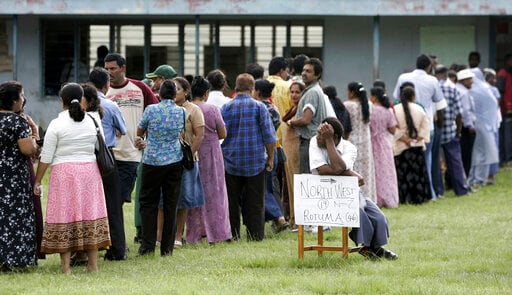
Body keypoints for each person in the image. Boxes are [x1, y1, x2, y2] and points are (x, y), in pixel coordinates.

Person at [34, 83, 111, 274]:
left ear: (62, 101)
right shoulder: (91, 120)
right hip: (90, 172)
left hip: (64, 173)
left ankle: (66, 268)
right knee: (90, 214)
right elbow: (96, 145)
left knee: (64, 216)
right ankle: (92, 266)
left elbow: (47, 156)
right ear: (82, 97)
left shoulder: (56, 124)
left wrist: (37, 180)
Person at [309, 117, 398, 260]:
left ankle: (374, 248)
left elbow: (338, 168)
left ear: (335, 137)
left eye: (322, 134)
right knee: (359, 212)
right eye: (319, 133)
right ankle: (371, 249)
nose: (318, 137)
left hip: (350, 192)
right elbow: (323, 170)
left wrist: (329, 142)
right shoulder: (315, 143)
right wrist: (352, 174)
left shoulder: (349, 147)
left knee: (378, 216)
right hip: (327, 194)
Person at [104, 53, 159, 244]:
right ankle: (113, 244)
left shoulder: (140, 88)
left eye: (113, 68)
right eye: (107, 69)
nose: (110, 73)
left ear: (123, 68)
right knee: (108, 202)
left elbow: (156, 114)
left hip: (130, 155)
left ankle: (115, 245)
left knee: (117, 200)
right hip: (106, 155)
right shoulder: (104, 91)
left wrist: (147, 139)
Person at [221, 73, 277, 241]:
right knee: (255, 202)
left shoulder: (226, 107)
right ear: (252, 88)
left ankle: (233, 234)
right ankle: (255, 235)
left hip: (231, 161)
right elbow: (269, 136)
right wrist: (271, 158)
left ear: (236, 88)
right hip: (255, 162)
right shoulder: (259, 107)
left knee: (232, 202)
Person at [135, 79, 185, 256]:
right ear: (174, 94)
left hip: (152, 161)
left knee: (148, 203)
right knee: (171, 204)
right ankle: (167, 248)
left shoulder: (151, 109)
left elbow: (140, 131)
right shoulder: (181, 112)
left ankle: (147, 246)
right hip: (174, 161)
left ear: (160, 94)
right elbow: (180, 132)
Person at [392, 54, 447, 200]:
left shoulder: (403, 77)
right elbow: (439, 103)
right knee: (426, 160)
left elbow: (396, 98)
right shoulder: (432, 80)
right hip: (425, 126)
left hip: (402, 126)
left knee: (402, 162)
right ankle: (430, 194)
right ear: (429, 67)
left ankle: (402, 194)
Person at [89, 68, 128, 260]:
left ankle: (83, 250)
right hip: (106, 157)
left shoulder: (82, 105)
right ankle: (117, 249)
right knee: (112, 204)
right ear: (107, 85)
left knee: (86, 204)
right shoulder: (111, 106)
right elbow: (123, 130)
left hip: (86, 157)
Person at [0, 81, 39, 271]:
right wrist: (34, 134)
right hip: (13, 176)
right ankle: (14, 258)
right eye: (22, 96)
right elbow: (27, 149)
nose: (24, 100)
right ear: (14, 100)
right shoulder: (17, 121)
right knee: (15, 215)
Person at [189, 76, 232, 243]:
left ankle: (195, 232)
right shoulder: (212, 109)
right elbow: (223, 133)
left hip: (193, 152)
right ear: (206, 93)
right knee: (216, 192)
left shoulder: (188, 108)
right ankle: (218, 232)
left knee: (194, 192)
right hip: (212, 153)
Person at [173, 77, 205, 246]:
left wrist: (188, 155)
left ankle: (179, 235)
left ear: (186, 91)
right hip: (167, 160)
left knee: (184, 198)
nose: (174, 92)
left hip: (187, 161)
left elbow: (199, 135)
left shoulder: (193, 110)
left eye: (177, 88)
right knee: (166, 199)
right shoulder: (165, 108)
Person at [254, 79, 289, 233]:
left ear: (258, 92)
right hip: (273, 150)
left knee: (262, 189)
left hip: (261, 151)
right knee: (269, 187)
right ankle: (276, 218)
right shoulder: (274, 109)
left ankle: (279, 218)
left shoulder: (258, 108)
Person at [287, 58, 328, 174]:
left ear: (317, 75)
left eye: (308, 71)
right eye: (304, 70)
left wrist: (291, 122)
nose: (304, 73)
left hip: (309, 141)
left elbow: (306, 120)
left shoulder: (312, 92)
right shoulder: (313, 90)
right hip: (312, 140)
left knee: (306, 177)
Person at [434, 65, 469, 196]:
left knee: (436, 163)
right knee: (455, 162)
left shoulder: (433, 87)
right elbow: (459, 114)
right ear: (446, 74)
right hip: (450, 131)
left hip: (435, 131)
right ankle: (461, 189)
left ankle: (438, 191)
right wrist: (458, 131)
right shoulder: (453, 88)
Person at [393, 86, 431, 204]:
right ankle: (419, 198)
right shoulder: (419, 109)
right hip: (417, 147)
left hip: (401, 147)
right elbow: (425, 128)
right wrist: (415, 139)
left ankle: (404, 198)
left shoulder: (395, 109)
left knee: (402, 174)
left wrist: (406, 140)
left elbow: (392, 128)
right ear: (413, 96)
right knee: (418, 174)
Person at [344, 82, 377, 203]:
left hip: (352, 141)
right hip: (366, 143)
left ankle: (353, 199)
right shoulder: (369, 104)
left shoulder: (348, 105)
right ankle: (368, 199)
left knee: (353, 171)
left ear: (352, 92)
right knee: (366, 172)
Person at [467, 68, 499, 188]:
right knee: (483, 154)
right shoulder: (485, 88)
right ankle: (477, 179)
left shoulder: (474, 90)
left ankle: (476, 179)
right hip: (488, 126)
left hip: (479, 125)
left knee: (480, 154)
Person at [369, 86, 399, 208]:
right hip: (385, 143)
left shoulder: (370, 110)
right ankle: (389, 198)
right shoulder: (388, 111)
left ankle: (375, 198)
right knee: (387, 171)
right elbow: (392, 129)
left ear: (374, 97)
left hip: (372, 142)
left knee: (374, 171)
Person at [281, 81, 305, 229]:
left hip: (295, 151)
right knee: (289, 185)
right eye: (292, 92)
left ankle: (299, 220)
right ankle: (293, 219)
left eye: (297, 92)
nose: (294, 95)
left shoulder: (301, 111)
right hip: (287, 152)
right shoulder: (292, 109)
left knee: (297, 184)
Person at [456, 68, 476, 177]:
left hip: (458, 126)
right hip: (465, 127)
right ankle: (466, 177)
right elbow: (466, 111)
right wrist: (470, 126)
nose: (472, 82)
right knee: (466, 154)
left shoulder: (456, 89)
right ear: (464, 81)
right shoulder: (464, 92)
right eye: (470, 80)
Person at [496, 54, 512, 165]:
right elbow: (500, 93)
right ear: (507, 62)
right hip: (506, 110)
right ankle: (507, 158)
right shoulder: (502, 74)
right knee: (507, 135)